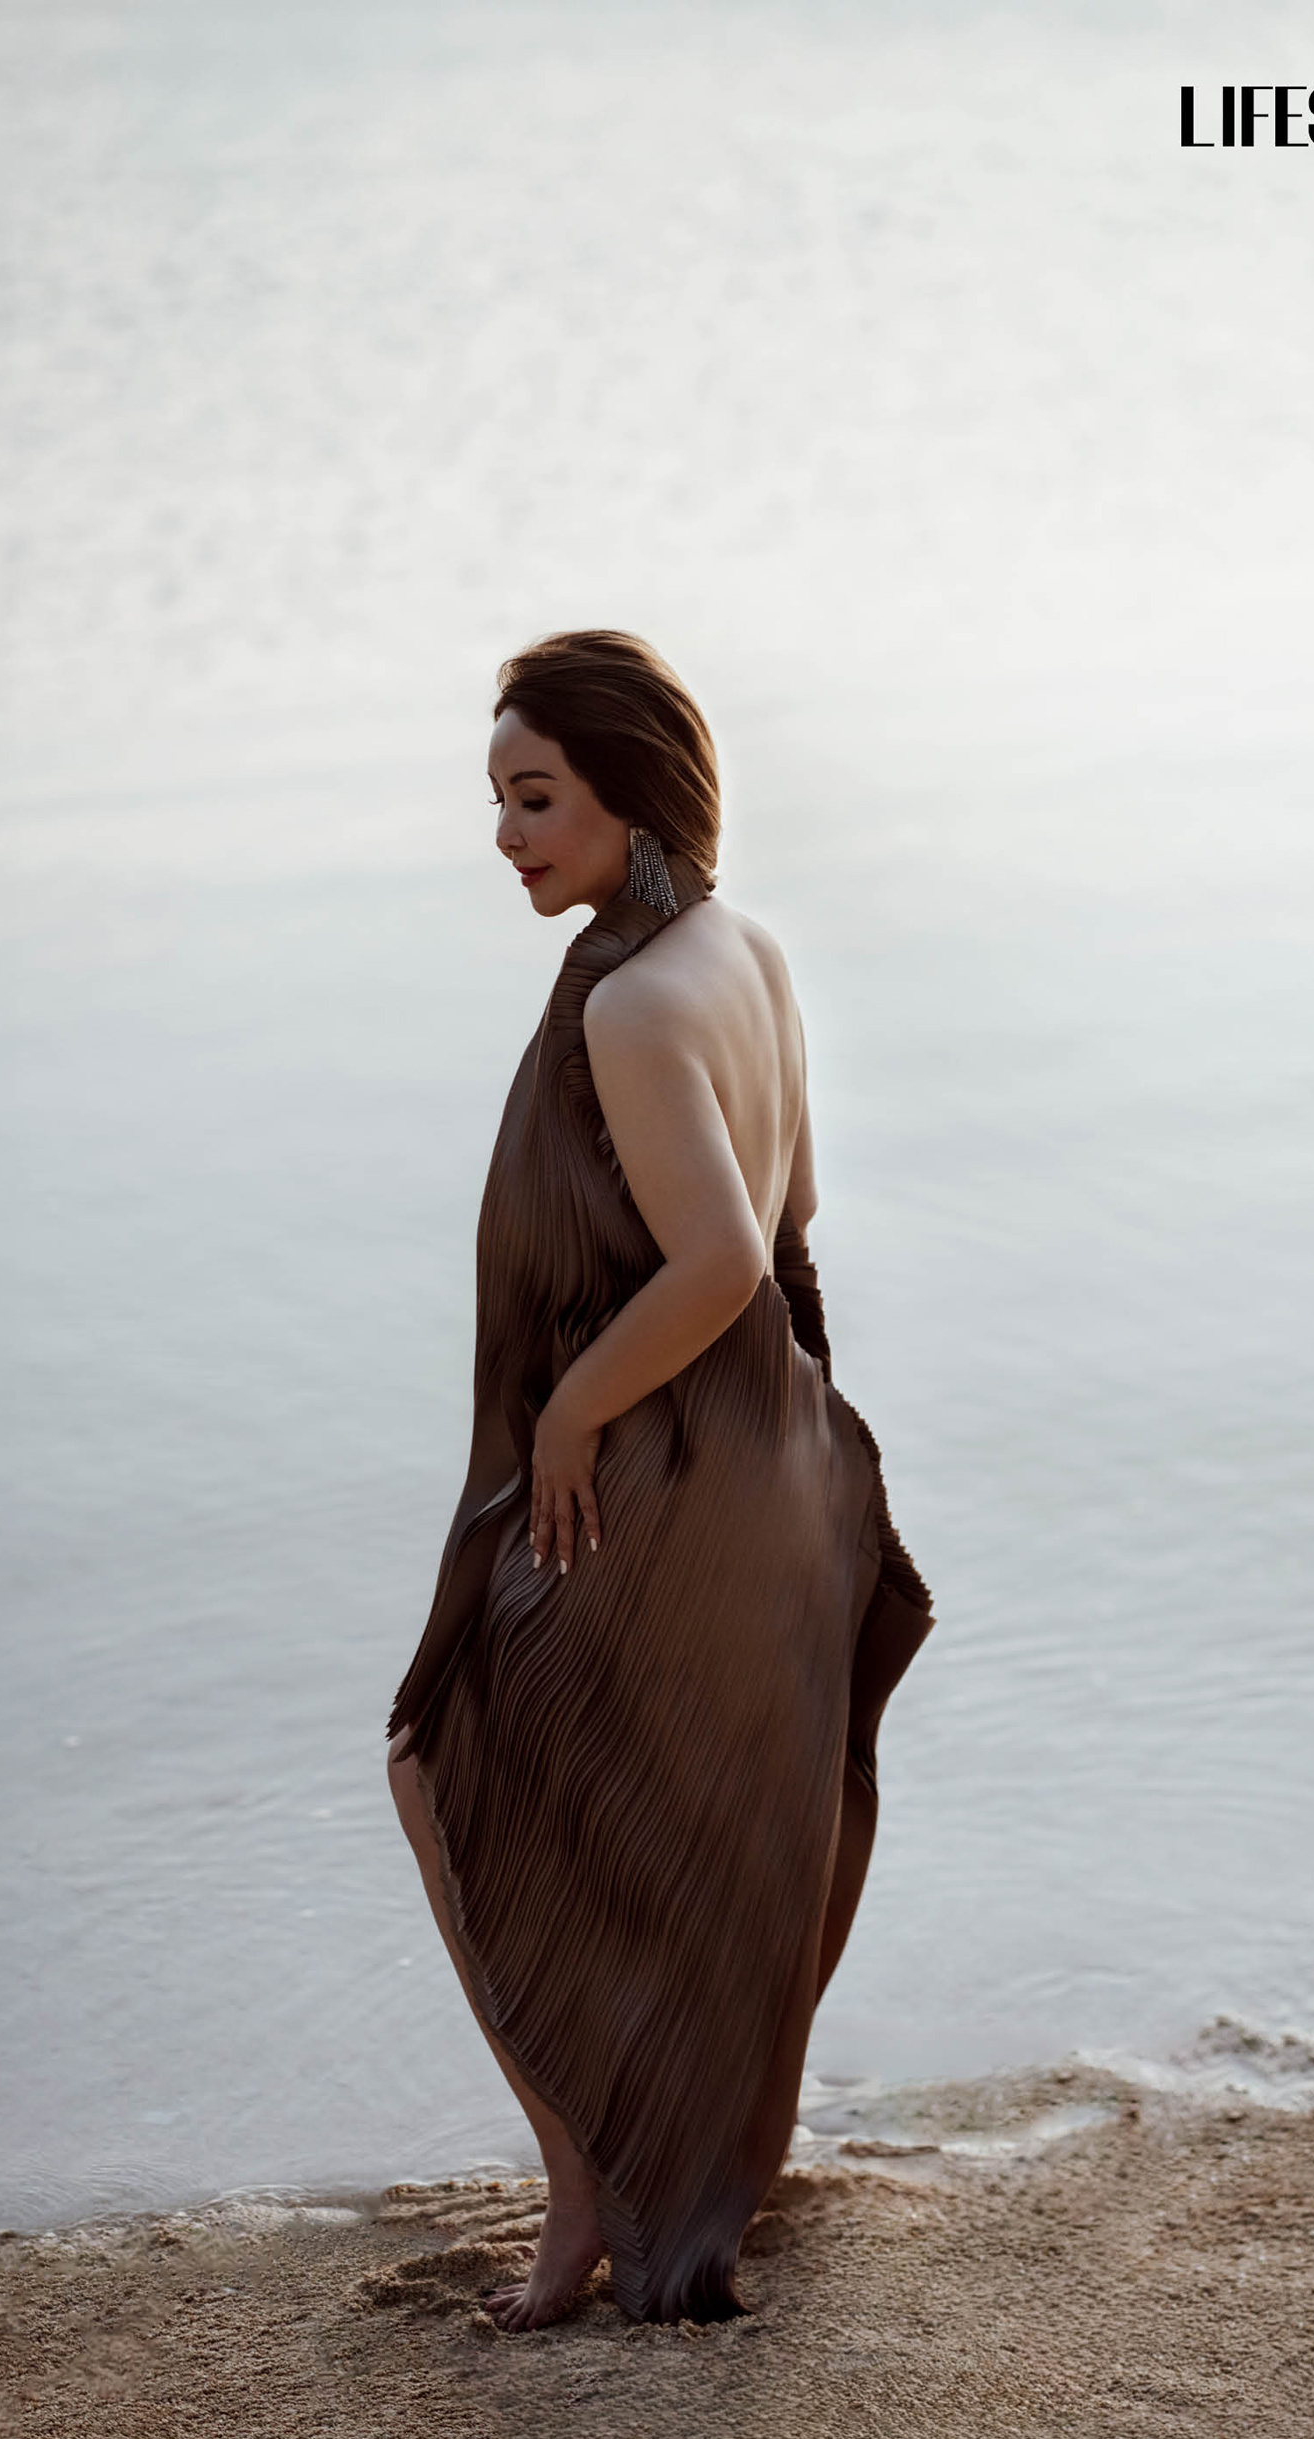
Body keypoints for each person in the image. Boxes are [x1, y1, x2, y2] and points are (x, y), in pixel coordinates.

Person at [386, 631, 930, 2329]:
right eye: (497, 800)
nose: (505, 836)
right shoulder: (741, 950)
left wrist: (566, 1422)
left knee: (439, 1761)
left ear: (629, 791)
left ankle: (587, 2200)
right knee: (682, 1824)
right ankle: (677, 2166)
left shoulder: (628, 1003)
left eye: (534, 798)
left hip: (652, 1460)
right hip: (756, 1450)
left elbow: (710, 1266)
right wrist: (806, 1473)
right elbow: (797, 1214)